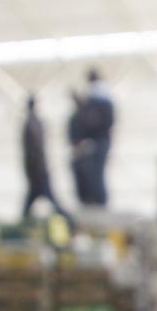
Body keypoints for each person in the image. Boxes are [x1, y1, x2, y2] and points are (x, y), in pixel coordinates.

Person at [70, 68, 115, 207]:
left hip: (99, 141)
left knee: (96, 172)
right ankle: (98, 199)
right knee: (95, 171)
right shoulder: (104, 97)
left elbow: (92, 122)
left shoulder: (95, 99)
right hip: (101, 140)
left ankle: (98, 200)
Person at [20, 94, 66, 222]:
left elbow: (36, 150)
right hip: (38, 169)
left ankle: (68, 220)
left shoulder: (31, 123)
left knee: (47, 199)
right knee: (45, 198)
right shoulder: (34, 123)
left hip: (37, 169)